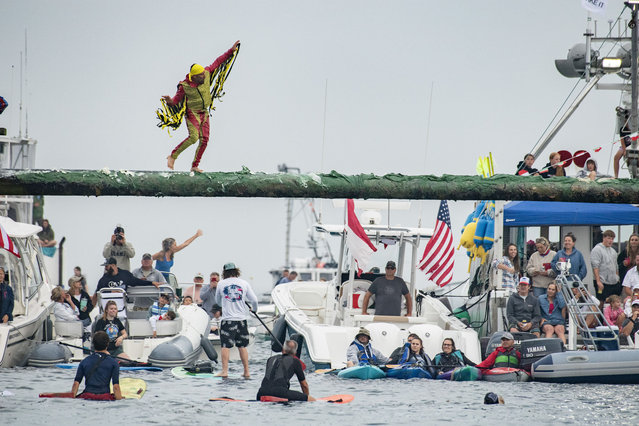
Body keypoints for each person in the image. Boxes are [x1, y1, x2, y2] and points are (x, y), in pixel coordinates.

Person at [163, 40, 240, 173]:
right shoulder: (185, 86)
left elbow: (218, 61)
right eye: (201, 76)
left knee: (204, 140)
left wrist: (231, 51)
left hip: (204, 112)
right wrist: (170, 101)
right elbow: (175, 101)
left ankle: (194, 166)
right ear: (194, 77)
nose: (204, 77)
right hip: (192, 113)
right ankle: (172, 156)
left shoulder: (207, 72)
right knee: (194, 137)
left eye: (204, 74)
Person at [214, 262, 259, 378]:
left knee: (225, 346)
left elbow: (217, 301)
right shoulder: (244, 283)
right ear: (236, 271)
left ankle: (224, 371)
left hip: (228, 319)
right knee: (242, 346)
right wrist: (254, 310)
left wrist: (224, 302)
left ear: (224, 272)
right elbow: (254, 300)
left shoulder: (221, 284)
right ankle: (246, 372)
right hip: (242, 320)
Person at [71, 331, 121, 400]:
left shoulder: (84, 361)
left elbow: (76, 384)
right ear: (107, 344)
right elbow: (116, 387)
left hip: (87, 396)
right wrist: (120, 399)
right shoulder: (113, 363)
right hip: (105, 397)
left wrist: (72, 398)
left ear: (93, 344)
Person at [92, 257, 161, 305]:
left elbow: (136, 281)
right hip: (108, 305)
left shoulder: (125, 274)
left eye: (107, 266)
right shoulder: (104, 279)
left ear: (113, 265)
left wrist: (151, 283)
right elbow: (97, 293)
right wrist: (110, 291)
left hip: (122, 304)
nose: (105, 268)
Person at [591, 229, 620, 308]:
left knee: (613, 303)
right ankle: (596, 320)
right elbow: (595, 266)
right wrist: (598, 281)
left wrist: (617, 278)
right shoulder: (597, 249)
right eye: (608, 238)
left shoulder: (613, 251)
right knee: (600, 302)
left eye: (612, 239)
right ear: (603, 238)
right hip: (602, 282)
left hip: (613, 283)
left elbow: (616, 266)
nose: (610, 241)